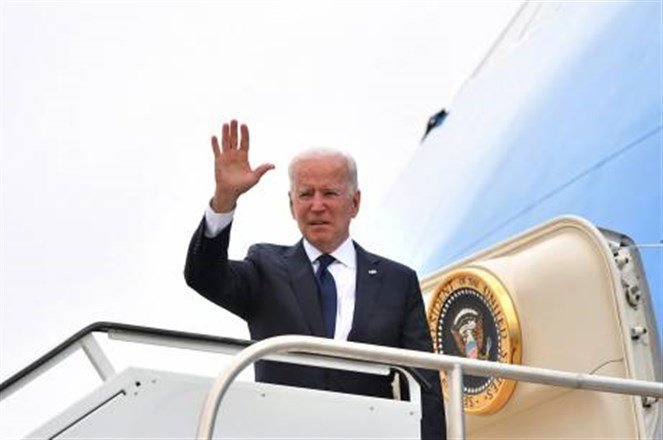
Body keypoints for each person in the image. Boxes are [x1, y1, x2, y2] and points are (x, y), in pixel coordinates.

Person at [185, 120, 445, 439]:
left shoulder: (397, 281)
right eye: (306, 194)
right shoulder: (265, 266)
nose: (317, 206)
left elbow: (424, 385)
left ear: (355, 203)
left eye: (330, 193)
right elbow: (203, 276)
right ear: (291, 204)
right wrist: (224, 200)